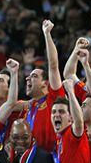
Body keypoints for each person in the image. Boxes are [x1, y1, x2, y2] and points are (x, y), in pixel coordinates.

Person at [24, 20, 65, 152]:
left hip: (50, 159)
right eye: (28, 76)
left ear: (46, 83)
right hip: (30, 161)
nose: (28, 79)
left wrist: (47, 34)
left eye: (34, 76)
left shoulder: (54, 99)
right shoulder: (29, 106)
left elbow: (53, 65)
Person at [53, 79, 90, 163]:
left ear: (71, 118)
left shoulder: (72, 134)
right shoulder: (59, 139)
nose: (56, 115)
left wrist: (70, 92)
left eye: (61, 112)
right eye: (53, 112)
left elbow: (79, 122)